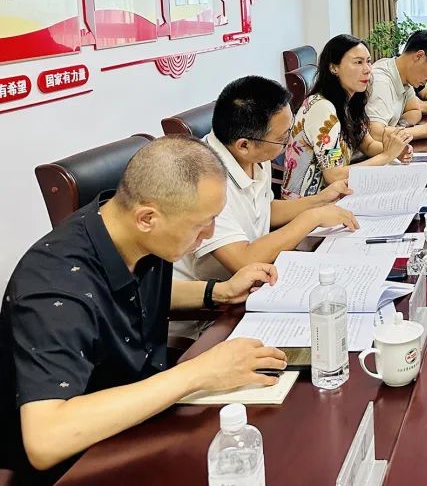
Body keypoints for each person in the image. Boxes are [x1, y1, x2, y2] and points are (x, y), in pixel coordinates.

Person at [0, 137, 288, 480]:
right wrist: (198, 372)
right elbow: (46, 439)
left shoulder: (125, 228)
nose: (209, 233)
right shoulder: (54, 287)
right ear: (147, 217)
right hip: (84, 459)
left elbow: (125, 295)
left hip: (143, 419)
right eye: (201, 224)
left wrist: (217, 292)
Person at [176, 76, 359, 283]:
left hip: (255, 275)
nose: (289, 140)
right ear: (244, 145)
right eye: (283, 138)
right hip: (212, 293)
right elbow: (243, 260)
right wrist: (313, 217)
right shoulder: (202, 179)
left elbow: (264, 210)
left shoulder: (256, 155)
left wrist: (320, 200)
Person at [282, 35, 414, 199]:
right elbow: (334, 175)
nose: (367, 69)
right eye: (358, 62)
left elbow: (368, 144)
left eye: (368, 61)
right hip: (308, 203)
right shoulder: (322, 108)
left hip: (337, 195)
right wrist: (386, 156)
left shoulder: (350, 101)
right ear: (334, 68)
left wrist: (394, 149)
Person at [367, 29, 427, 141]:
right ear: (419, 56)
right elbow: (375, 134)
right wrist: (424, 130)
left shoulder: (404, 76)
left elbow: (414, 110)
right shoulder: (381, 81)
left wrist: (398, 128)